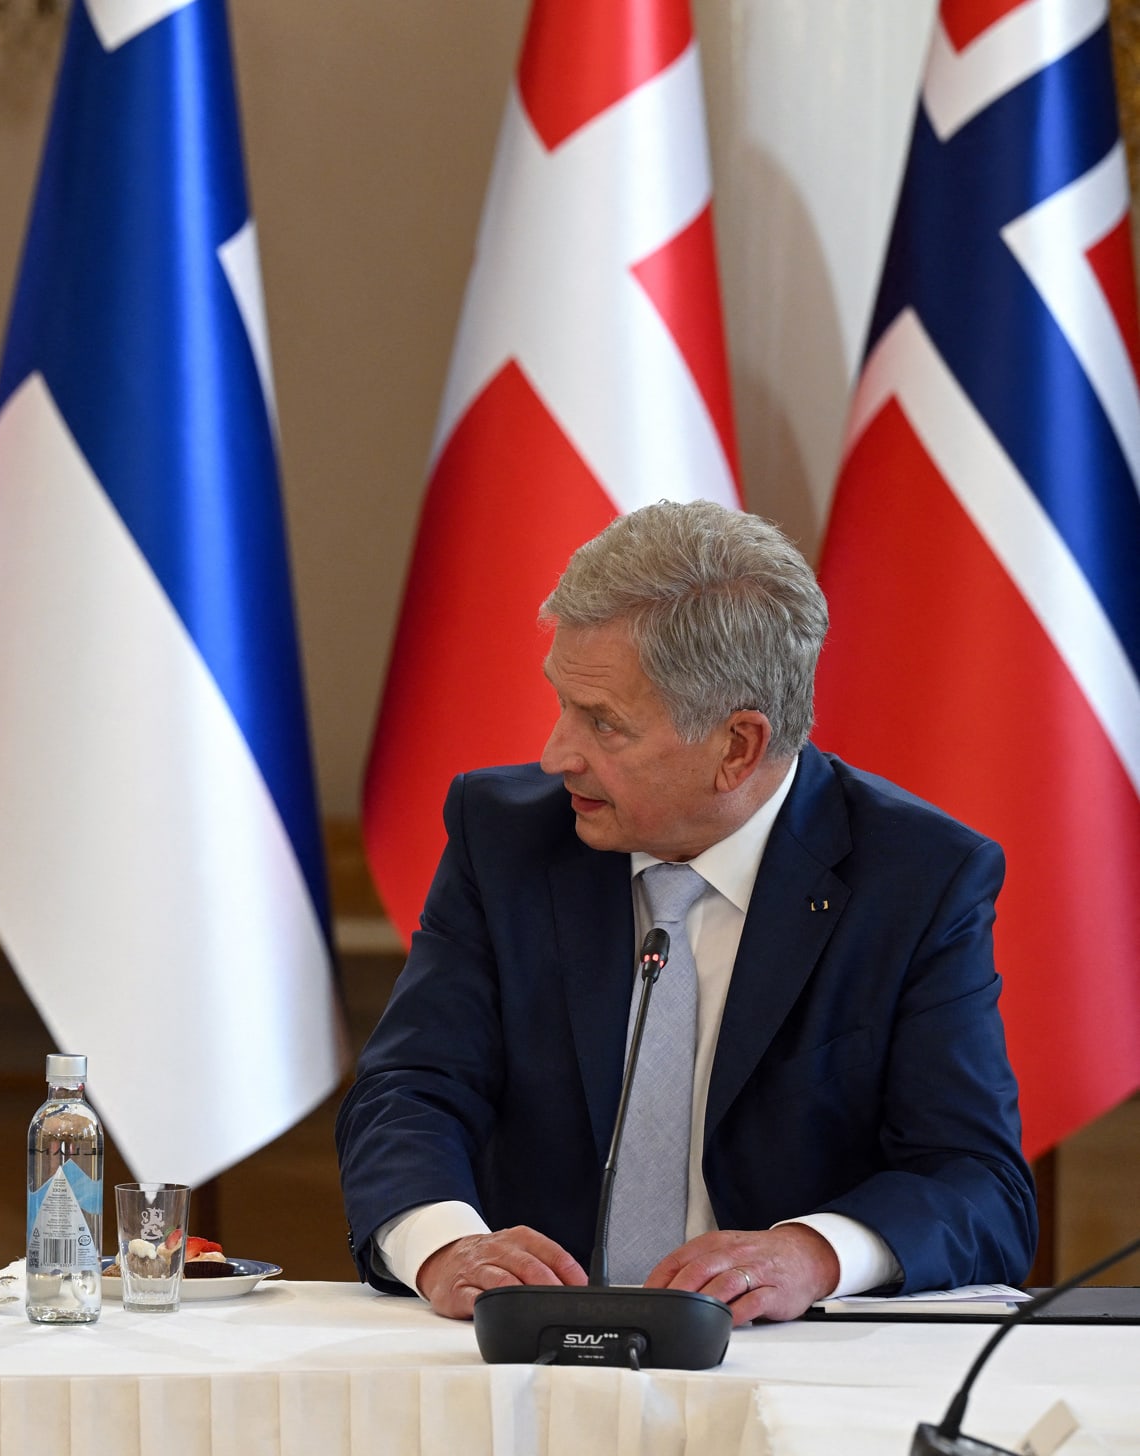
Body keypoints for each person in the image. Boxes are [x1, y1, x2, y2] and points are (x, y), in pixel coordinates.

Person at [337, 500, 1034, 1326]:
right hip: (534, 1347)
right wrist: (446, 1245)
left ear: (738, 747)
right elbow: (411, 1089)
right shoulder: (506, 837)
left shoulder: (915, 877)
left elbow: (978, 1184)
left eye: (604, 723)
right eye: (562, 702)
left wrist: (811, 1254)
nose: (557, 754)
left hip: (779, 1362)